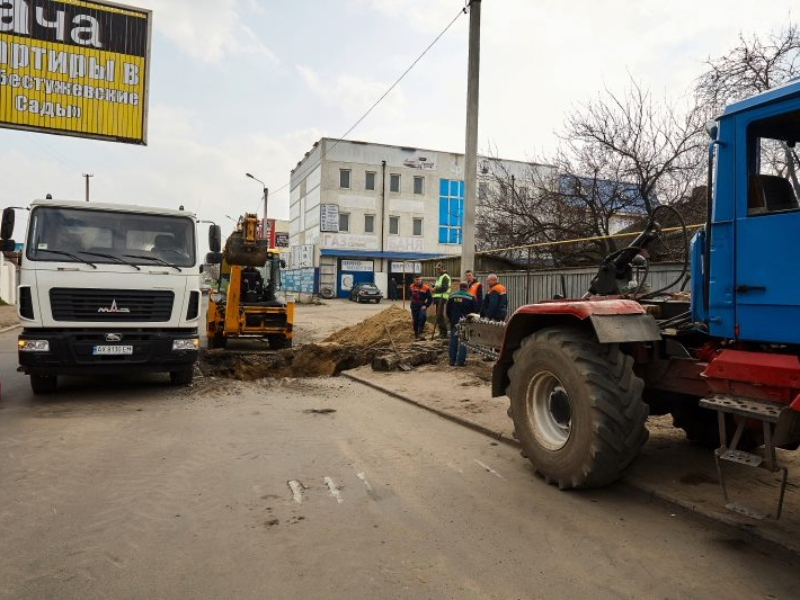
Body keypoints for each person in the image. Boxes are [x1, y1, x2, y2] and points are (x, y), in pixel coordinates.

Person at [446, 282, 477, 367]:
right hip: (465, 322)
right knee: (464, 342)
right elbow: (474, 312)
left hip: (454, 322)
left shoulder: (452, 296)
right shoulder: (471, 297)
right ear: (467, 288)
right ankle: (460, 362)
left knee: (453, 341)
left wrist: (451, 318)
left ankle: (452, 361)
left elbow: (448, 310)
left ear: (459, 287)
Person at [409, 275, 432, 339]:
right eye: (417, 279)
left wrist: (426, 305)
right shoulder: (411, 286)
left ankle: (420, 331)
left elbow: (430, 299)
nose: (418, 281)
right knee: (415, 320)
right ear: (414, 280)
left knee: (423, 317)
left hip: (422, 305)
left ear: (421, 280)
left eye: (419, 279)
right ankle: (416, 334)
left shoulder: (426, 288)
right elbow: (409, 294)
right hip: (414, 305)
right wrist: (412, 299)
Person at [432, 263, 451, 339]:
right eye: (437, 269)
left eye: (439, 269)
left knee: (439, 315)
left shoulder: (445, 277)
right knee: (438, 315)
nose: (438, 270)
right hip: (438, 298)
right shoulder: (440, 277)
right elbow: (439, 286)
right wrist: (434, 287)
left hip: (442, 298)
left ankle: (444, 333)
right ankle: (441, 332)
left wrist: (435, 289)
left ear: (443, 268)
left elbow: (444, 288)